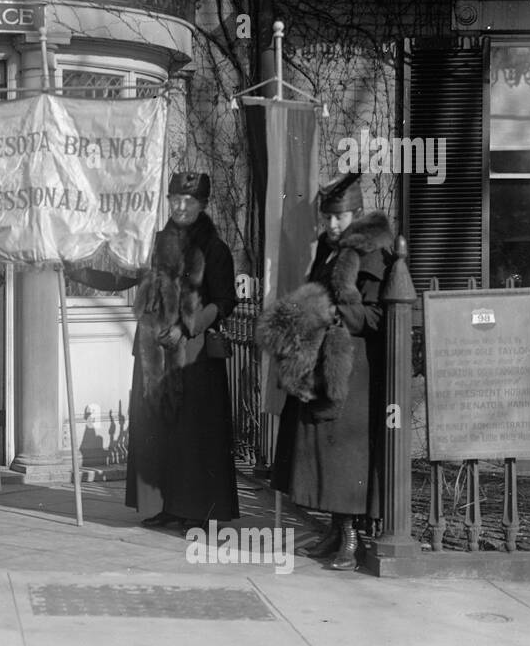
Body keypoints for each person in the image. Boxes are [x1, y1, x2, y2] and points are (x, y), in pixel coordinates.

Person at [69, 171, 240, 528]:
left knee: (192, 435)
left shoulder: (214, 249)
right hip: (153, 353)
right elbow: (122, 278)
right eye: (175, 199)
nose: (180, 206)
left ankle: (194, 512)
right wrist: (78, 272)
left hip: (192, 357)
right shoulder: (153, 243)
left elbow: (225, 300)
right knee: (161, 433)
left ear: (202, 205)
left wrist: (187, 327)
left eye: (189, 201)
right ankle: (167, 506)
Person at [259, 171, 394, 571]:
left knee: (345, 458)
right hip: (320, 362)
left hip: (353, 370)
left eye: (341, 217)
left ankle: (350, 538)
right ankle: (335, 531)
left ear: (357, 213)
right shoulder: (327, 250)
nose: (333, 225)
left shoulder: (375, 253)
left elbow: (377, 317)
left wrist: (336, 313)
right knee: (322, 451)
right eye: (328, 218)